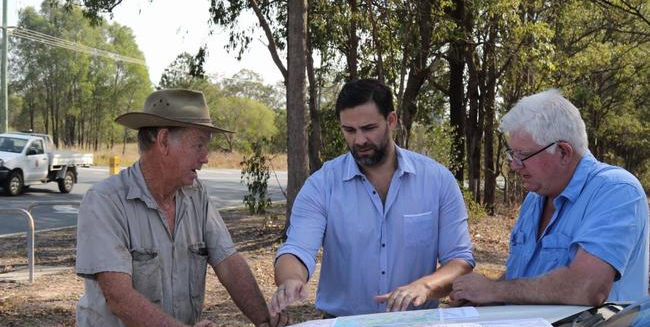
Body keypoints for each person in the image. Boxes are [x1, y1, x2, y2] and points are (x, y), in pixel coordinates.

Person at [75, 89, 288, 327]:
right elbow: (119, 298)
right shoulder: (105, 202)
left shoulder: (197, 196)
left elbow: (228, 263)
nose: (206, 157)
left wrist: (265, 319)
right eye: (198, 145)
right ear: (164, 141)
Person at [270, 78, 474, 318]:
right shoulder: (322, 184)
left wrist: (425, 286)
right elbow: (296, 249)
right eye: (349, 130)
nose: (359, 140)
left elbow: (460, 261)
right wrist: (291, 279)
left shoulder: (438, 181)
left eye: (368, 128)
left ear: (391, 121)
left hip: (417, 322)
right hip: (343, 323)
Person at [450, 89, 649, 306]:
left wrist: (493, 290)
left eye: (523, 155)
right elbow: (526, 281)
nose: (515, 165)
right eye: (512, 154)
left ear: (563, 152)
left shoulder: (616, 190)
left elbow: (587, 288)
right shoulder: (536, 198)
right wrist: (483, 300)